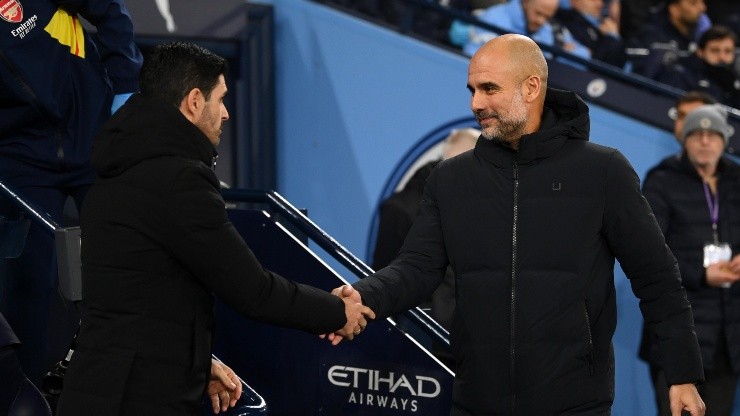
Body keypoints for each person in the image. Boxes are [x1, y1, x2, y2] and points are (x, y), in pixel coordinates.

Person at [327, 34, 706, 415]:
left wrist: (683, 373)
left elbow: (657, 277)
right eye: (472, 89)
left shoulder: (602, 171)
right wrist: (365, 296)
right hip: (475, 400)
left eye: (489, 88)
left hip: (574, 403)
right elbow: (415, 267)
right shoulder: (450, 179)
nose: (476, 103)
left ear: (531, 87)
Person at [55, 41, 375, 416]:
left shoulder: (123, 167)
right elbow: (252, 289)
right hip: (133, 399)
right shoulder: (179, 179)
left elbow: (139, 299)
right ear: (193, 101)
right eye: (220, 99)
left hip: (103, 390)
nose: (225, 114)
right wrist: (338, 312)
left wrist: (196, 364)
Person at [0, 0, 143, 387]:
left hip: (93, 135)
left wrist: (127, 85)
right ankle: (23, 394)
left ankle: (140, 378)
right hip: (20, 158)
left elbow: (110, 10)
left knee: (128, 261)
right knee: (27, 282)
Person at [639, 103, 740, 416]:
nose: (706, 141)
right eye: (697, 134)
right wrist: (701, 274)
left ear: (725, 140)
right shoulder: (662, 180)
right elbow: (649, 252)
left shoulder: (737, 179)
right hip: (678, 334)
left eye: (713, 135)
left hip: (728, 337)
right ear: (685, 139)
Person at [462, 0, 591, 59]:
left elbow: (584, 55)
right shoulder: (493, 18)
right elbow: (471, 57)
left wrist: (562, 51)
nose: (541, 21)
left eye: (547, 17)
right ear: (525, 3)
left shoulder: (550, 29)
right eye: (538, 14)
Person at [656, 25, 740, 109]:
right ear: (700, 52)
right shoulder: (680, 75)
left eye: (728, 51)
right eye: (715, 50)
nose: (722, 57)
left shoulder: (733, 83)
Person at [626, 0, 709, 78]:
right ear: (675, 10)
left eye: (702, 2)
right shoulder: (650, 37)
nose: (702, 8)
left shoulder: (695, 45)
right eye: (693, 3)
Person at [556, 0, 627, 68]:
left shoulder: (605, 27)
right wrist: (611, 38)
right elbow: (593, 63)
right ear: (575, 1)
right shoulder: (567, 19)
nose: (600, 4)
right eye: (593, 0)